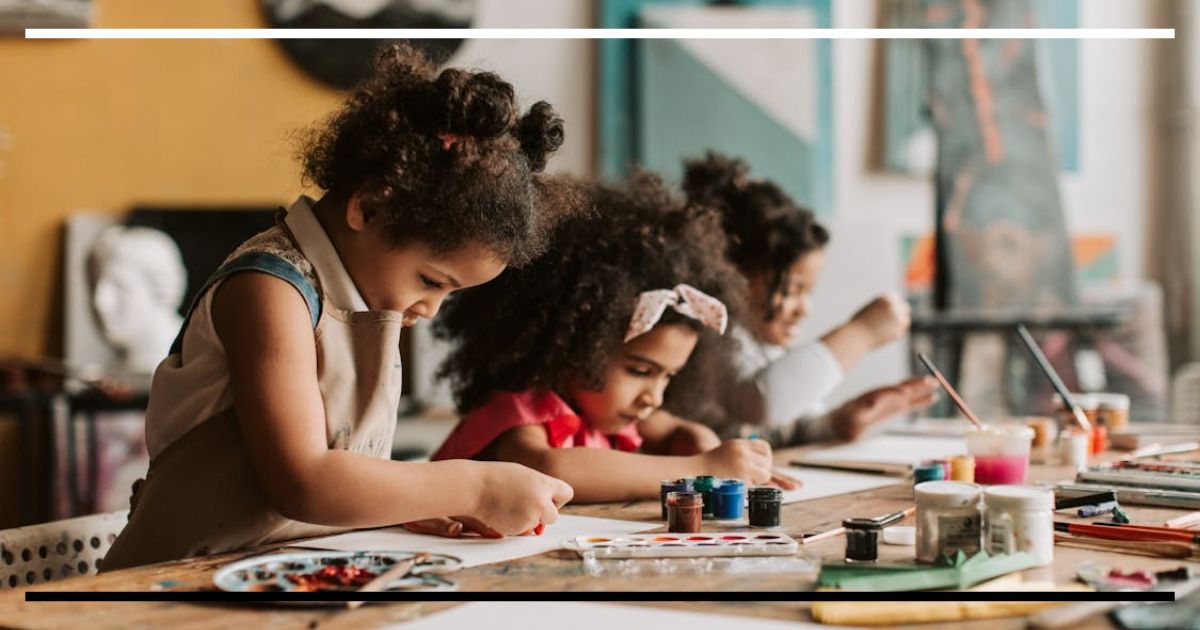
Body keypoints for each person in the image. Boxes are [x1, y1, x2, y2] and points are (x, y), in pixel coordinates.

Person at [103, 43, 573, 570]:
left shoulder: (361, 301)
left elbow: (341, 476)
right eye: (430, 281)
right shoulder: (269, 290)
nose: (430, 309)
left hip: (270, 576)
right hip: (167, 587)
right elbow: (303, 482)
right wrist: (474, 484)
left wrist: (400, 509)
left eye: (449, 293)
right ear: (369, 207)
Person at [431, 175, 796, 503]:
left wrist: (698, 438)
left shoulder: (598, 410)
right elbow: (550, 468)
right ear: (575, 346)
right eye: (640, 370)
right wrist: (700, 466)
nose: (653, 397)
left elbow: (672, 429)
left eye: (668, 376)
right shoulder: (519, 413)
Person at [673, 152, 938, 445]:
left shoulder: (762, 343)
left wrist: (839, 421)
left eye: (807, 292)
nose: (804, 309)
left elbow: (779, 430)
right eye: (789, 291)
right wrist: (860, 333)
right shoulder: (712, 333)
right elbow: (762, 403)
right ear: (733, 275)